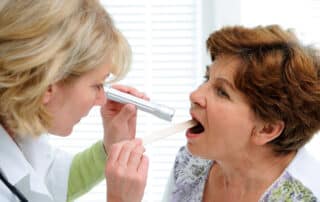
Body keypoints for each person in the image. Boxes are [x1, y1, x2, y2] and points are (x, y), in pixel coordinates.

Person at [0, 0, 148, 202]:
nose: (102, 99)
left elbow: (46, 186)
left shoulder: (17, 134)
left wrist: (110, 146)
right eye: (97, 85)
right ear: (47, 84)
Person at [162, 25, 320, 201]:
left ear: (266, 129)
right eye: (207, 78)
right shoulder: (189, 164)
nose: (195, 95)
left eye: (222, 92)